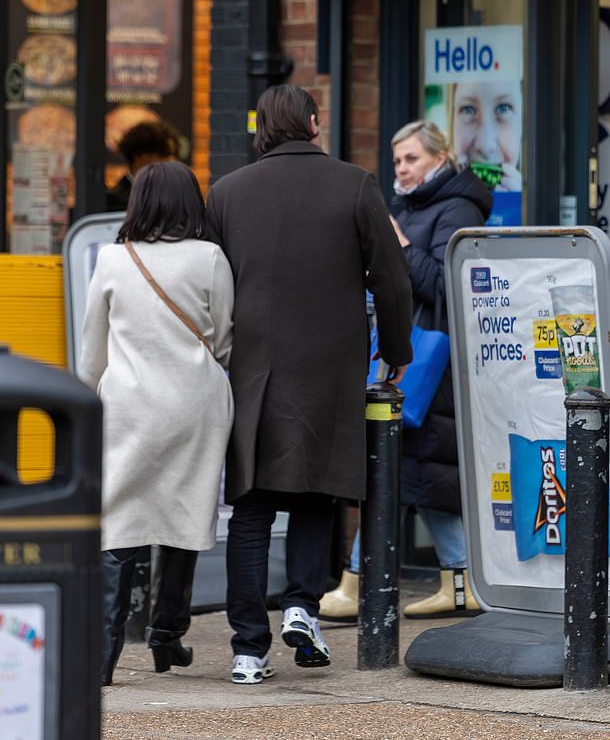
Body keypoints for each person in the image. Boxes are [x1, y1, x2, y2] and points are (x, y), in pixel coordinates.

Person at [205, 84, 413, 684]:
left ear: (260, 131)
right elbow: (392, 280)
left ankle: (248, 648)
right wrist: (396, 352)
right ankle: (301, 605)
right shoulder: (355, 184)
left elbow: (214, 288)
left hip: (253, 365)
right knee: (316, 492)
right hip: (330, 364)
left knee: (251, 503)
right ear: (315, 123)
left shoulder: (227, 194)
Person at [320, 119, 491, 621]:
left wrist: (398, 244)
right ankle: (450, 581)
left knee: (402, 469)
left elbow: (447, 283)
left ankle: (368, 583)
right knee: (400, 470)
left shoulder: (456, 208)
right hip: (407, 356)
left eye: (412, 158)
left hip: (431, 359)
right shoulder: (416, 208)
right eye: (397, 161)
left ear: (440, 158)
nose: (402, 169)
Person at [80, 161, 234, 685]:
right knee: (183, 512)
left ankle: (103, 652)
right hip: (194, 404)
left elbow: (90, 357)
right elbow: (224, 340)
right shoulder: (211, 258)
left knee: (119, 518)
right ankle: (167, 637)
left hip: (128, 405)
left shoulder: (112, 259)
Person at [451, 80, 523, 192]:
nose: (485, 146)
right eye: (468, 110)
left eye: (504, 108)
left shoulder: (535, 204)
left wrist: (516, 204)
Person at [105, 120, 180, 211]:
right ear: (140, 155)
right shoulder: (112, 202)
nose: (172, 161)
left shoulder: (177, 199)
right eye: (164, 155)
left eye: (174, 156)